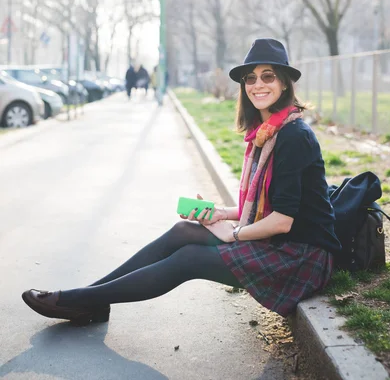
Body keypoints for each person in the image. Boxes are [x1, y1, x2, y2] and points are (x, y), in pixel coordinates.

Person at [22, 38, 341, 325]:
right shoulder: (264, 133)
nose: (258, 85)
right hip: (280, 241)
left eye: (268, 76)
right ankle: (91, 297)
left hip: (301, 256)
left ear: (284, 83)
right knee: (183, 231)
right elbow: (258, 207)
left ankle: (81, 300)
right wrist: (220, 214)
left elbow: (282, 221)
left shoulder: (293, 136)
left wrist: (235, 234)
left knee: (190, 259)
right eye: (250, 78)